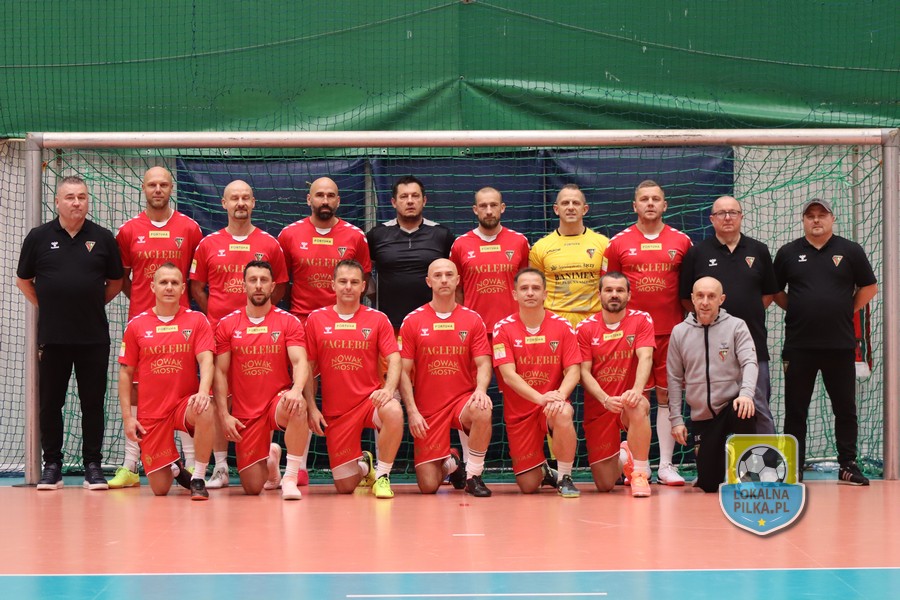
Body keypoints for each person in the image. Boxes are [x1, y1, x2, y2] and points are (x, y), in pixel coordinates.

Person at [16, 176, 124, 490]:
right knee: (51, 404)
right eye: (70, 197)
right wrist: (48, 304)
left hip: (93, 338)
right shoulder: (38, 237)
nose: (77, 202)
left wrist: (90, 303)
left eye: (81, 197)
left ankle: (93, 466)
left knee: (93, 403)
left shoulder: (103, 238)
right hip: (53, 337)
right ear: (57, 202)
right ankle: (52, 466)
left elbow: (116, 282)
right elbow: (24, 280)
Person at [190, 179, 288, 489]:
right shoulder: (208, 244)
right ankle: (220, 468)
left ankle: (267, 456)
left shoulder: (270, 244)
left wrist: (259, 318)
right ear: (224, 203)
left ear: (254, 202)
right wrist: (218, 317)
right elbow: (197, 287)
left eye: (246, 197)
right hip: (219, 337)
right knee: (219, 399)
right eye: (234, 198)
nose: (240, 203)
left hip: (259, 338)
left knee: (261, 397)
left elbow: (280, 285)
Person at [773, 198, 877, 485]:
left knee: (845, 408)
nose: (816, 220)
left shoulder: (851, 251)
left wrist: (846, 309)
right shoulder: (787, 253)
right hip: (798, 346)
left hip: (840, 345)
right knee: (795, 410)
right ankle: (793, 465)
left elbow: (869, 286)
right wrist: (797, 308)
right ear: (803, 220)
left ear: (832, 219)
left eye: (822, 215)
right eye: (810, 215)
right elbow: (775, 291)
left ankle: (848, 465)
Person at [112, 166, 203, 489]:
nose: (158, 189)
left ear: (171, 188)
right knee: (138, 389)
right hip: (143, 325)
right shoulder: (128, 231)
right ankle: (130, 465)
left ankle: (191, 465)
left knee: (185, 390)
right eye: (152, 184)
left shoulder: (190, 228)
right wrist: (144, 302)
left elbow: (195, 277)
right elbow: (123, 277)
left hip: (182, 325)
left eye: (164, 184)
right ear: (144, 188)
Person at [278, 176, 371, 485]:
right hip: (303, 322)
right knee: (302, 386)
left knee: (345, 384)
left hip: (343, 324)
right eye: (319, 195)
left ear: (339, 201)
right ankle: (299, 466)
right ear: (309, 199)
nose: (325, 200)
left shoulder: (355, 236)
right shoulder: (289, 235)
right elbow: (282, 282)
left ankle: (358, 458)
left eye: (331, 195)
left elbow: (365, 280)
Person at [602, 180, 692, 486]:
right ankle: (638, 465)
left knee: (667, 397)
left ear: (665, 205)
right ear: (635, 205)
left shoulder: (682, 241)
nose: (650, 203)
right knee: (633, 398)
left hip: (670, 333)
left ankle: (665, 465)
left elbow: (688, 289)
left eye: (656, 199)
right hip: (630, 336)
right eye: (644, 199)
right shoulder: (618, 243)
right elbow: (609, 290)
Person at [304, 260, 404, 499]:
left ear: (363, 287)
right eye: (343, 281)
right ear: (333, 285)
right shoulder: (316, 319)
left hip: (369, 402)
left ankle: (382, 476)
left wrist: (388, 389)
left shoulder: (378, 319)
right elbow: (307, 367)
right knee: (345, 487)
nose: (348, 286)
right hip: (337, 413)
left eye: (354, 282)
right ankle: (364, 466)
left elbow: (395, 358)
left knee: (393, 410)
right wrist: (311, 407)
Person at [679, 196, 778, 435]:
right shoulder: (697, 253)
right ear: (711, 219)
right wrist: (714, 323)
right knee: (714, 409)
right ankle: (717, 455)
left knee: (758, 406)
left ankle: (765, 458)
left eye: (733, 212)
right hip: (709, 348)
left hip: (752, 342)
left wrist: (740, 322)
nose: (727, 217)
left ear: (741, 216)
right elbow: (686, 299)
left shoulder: (759, 250)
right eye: (721, 213)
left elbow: (769, 294)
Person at [117, 263, 216, 500]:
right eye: (163, 282)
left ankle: (198, 477)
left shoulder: (197, 320)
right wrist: (128, 418)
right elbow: (125, 374)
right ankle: (176, 468)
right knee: (160, 489)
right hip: (152, 413)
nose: (169, 287)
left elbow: (206, 361)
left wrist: (204, 391)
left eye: (174, 283)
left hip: (184, 404)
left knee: (205, 409)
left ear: (183, 288)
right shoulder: (136, 325)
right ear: (153, 287)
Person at [213, 261, 310, 500]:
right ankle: (272, 462)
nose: (258, 285)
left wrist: (297, 389)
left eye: (264, 280)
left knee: (298, 406)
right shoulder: (227, 324)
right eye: (253, 280)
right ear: (243, 285)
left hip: (277, 402)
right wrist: (224, 415)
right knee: (252, 487)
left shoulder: (288, 321)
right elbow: (220, 373)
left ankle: (290, 478)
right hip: (246, 411)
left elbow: (300, 361)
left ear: (273, 286)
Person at [398, 259, 494, 497]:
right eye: (438, 275)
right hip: (428, 410)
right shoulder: (412, 320)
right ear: (428, 282)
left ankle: (473, 475)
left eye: (449, 275)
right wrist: (412, 411)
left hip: (462, 401)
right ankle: (452, 462)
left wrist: (480, 390)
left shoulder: (472, 319)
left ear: (458, 280)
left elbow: (483, 363)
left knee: (482, 409)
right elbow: (403, 370)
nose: (443, 280)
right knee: (428, 486)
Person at [492, 268, 582, 497]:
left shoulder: (563, 326)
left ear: (545, 293)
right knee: (528, 486)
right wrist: (540, 398)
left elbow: (574, 370)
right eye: (524, 288)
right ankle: (545, 470)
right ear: (515, 294)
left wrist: (560, 396)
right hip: (520, 413)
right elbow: (508, 375)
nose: (530, 293)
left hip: (551, 405)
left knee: (563, 412)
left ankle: (565, 477)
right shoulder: (502, 328)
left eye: (535, 288)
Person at [667, 277, 757, 493]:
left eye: (711, 296)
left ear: (721, 299)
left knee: (745, 411)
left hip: (730, 405)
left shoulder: (736, 326)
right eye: (700, 296)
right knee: (708, 485)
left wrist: (746, 394)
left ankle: (746, 475)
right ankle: (711, 469)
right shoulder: (679, 332)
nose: (705, 302)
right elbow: (674, 378)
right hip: (703, 417)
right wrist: (676, 420)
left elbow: (750, 362)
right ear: (692, 299)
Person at [576, 272, 655, 498]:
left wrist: (636, 391)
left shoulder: (641, 319)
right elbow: (583, 372)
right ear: (599, 294)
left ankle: (639, 473)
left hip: (628, 402)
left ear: (628, 295)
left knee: (637, 404)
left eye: (620, 290)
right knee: (605, 485)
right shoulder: (584, 327)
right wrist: (604, 399)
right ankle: (625, 455)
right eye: (609, 290)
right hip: (601, 406)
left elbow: (646, 357)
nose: (614, 295)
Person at [366, 175, 454, 329]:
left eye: (415, 196)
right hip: (389, 324)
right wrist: (375, 295)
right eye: (404, 196)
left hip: (434, 324)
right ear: (393, 202)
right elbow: (363, 271)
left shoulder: (442, 234)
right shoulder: (377, 235)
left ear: (424, 201)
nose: (410, 201)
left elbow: (456, 276)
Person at [450, 187, 530, 333]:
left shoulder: (520, 242)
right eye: (483, 206)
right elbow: (456, 290)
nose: (488, 211)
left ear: (502, 207)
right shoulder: (460, 245)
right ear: (475, 209)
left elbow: (526, 286)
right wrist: (463, 323)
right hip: (474, 330)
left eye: (493, 205)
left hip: (513, 329)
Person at [528, 184, 609, 328]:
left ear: (585, 209)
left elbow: (610, 286)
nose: (570, 207)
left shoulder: (604, 244)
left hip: (594, 324)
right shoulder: (540, 247)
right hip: (555, 325)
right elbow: (535, 289)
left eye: (576, 203)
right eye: (565, 203)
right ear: (556, 209)